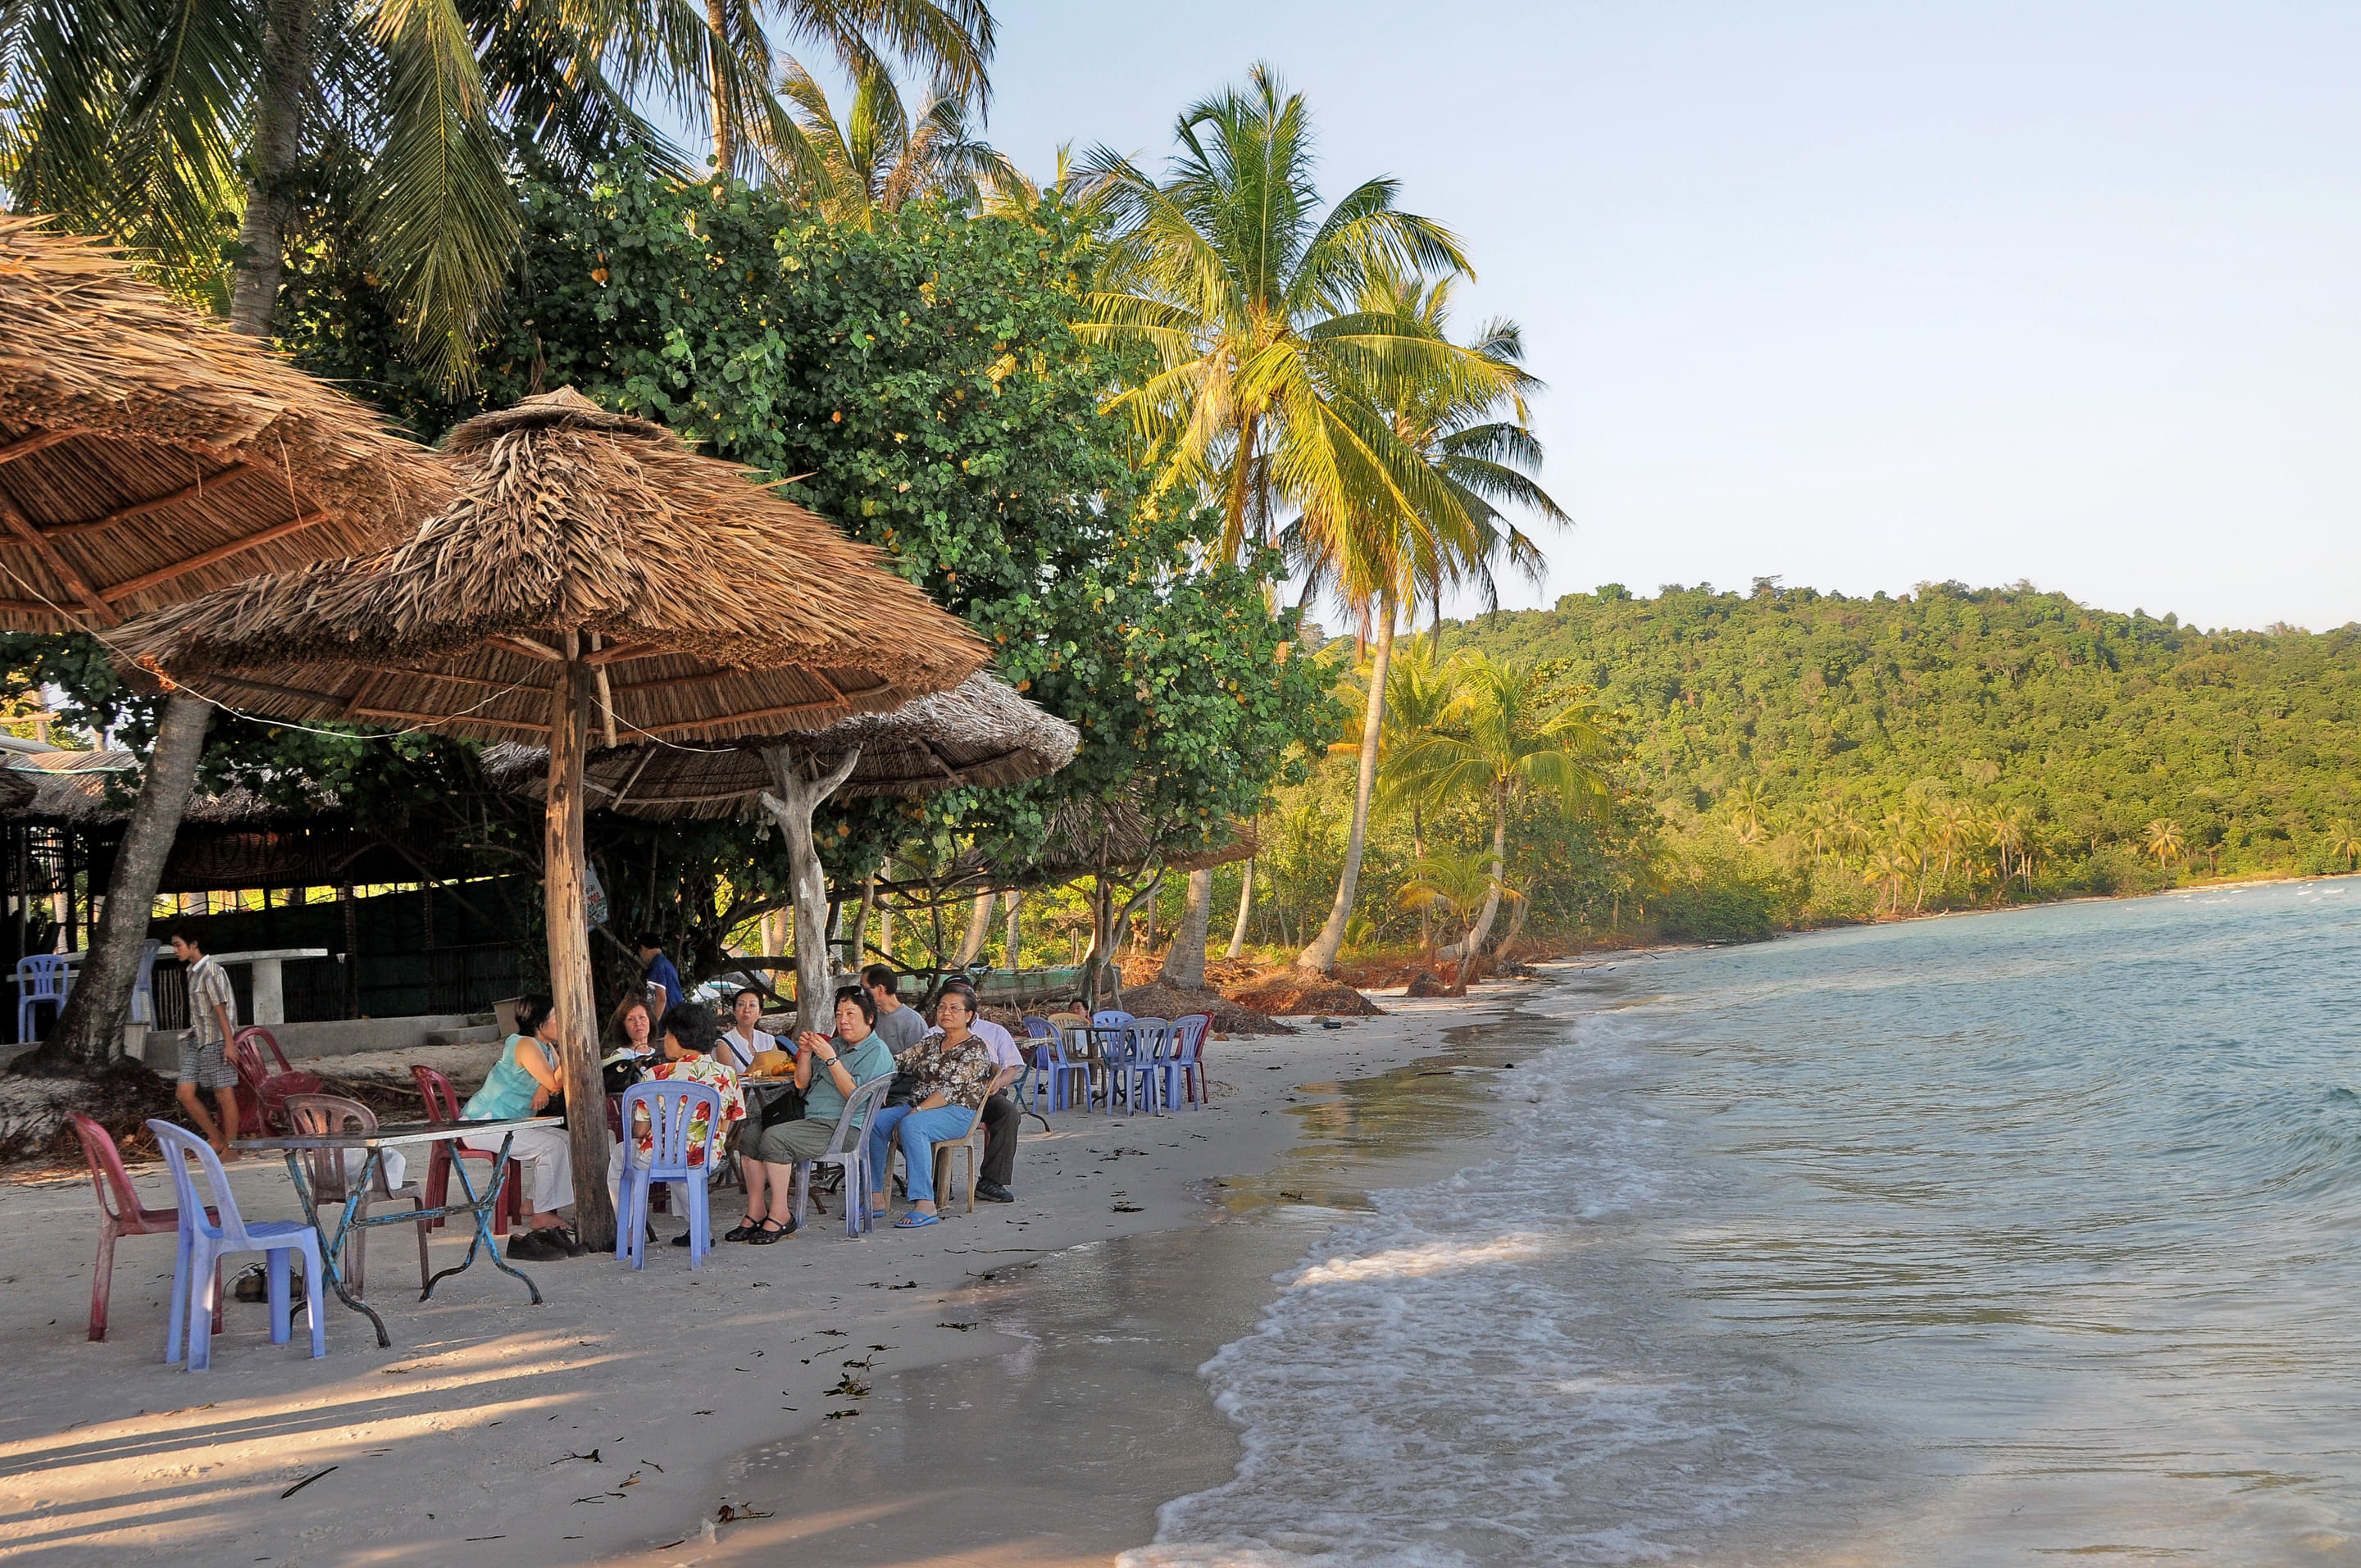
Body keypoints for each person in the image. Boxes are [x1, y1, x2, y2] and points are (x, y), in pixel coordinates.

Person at [739, 986, 898, 1241]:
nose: (843, 1020)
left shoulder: (876, 1051)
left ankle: (781, 1215)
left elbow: (853, 1096)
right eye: (838, 1014)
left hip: (843, 1128)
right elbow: (801, 1083)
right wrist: (807, 1054)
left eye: (850, 1014)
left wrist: (832, 1059)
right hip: (810, 1120)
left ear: (869, 1018)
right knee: (751, 1135)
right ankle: (756, 1211)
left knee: (775, 1138)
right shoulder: (835, 1044)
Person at [865, 984, 1017, 1228]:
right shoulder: (932, 1041)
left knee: (913, 1125)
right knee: (873, 1123)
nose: (946, 1012)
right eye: (942, 1007)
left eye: (955, 1008)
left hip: (958, 1112)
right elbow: (899, 1062)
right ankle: (875, 1196)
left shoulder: (976, 1048)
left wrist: (918, 1111)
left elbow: (950, 1092)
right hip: (919, 1107)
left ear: (969, 1015)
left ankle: (925, 1203)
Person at [605, 1000, 745, 1248]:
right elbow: (727, 1124)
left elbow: (640, 1131)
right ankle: (701, 1230)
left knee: (621, 1155)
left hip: (660, 1155)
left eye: (667, 1034)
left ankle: (627, 1233)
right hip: (706, 1155)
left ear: (678, 1037)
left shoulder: (655, 1075)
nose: (665, 1040)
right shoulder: (727, 1074)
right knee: (683, 1164)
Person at [460, 993, 584, 1261]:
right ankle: (541, 1215)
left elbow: (553, 1080)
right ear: (540, 1022)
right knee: (550, 1147)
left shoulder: (546, 1047)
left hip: (510, 1124)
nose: (561, 1022)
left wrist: (546, 1082)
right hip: (485, 1123)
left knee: (564, 1140)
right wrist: (565, 1058)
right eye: (555, 1017)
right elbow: (556, 1081)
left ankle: (533, 1204)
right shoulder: (526, 1044)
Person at [168, 927, 243, 1160]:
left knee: (224, 1093)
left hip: (217, 1039)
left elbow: (221, 1010)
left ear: (194, 944)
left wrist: (229, 1045)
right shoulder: (192, 971)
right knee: (185, 1092)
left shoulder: (212, 971)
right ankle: (217, 1138)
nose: (175, 950)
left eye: (178, 944)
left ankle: (232, 1148)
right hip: (198, 1039)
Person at [862, 963, 928, 1052]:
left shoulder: (913, 1022)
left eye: (865, 989)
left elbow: (918, 1060)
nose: (861, 994)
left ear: (880, 989)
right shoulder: (870, 1019)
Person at [716, 988, 776, 1072]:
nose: (746, 1010)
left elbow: (777, 1072)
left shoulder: (769, 1040)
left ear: (760, 1013)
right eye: (741, 1005)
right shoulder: (724, 1044)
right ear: (734, 1011)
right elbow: (730, 1080)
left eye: (752, 1005)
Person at [637, 933, 685, 1015]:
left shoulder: (657, 966)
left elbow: (661, 999)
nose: (641, 957)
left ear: (643, 948)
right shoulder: (665, 964)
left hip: (667, 1020)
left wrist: (654, 1024)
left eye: (639, 952)